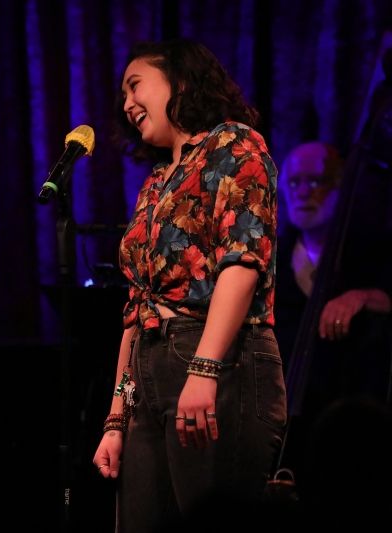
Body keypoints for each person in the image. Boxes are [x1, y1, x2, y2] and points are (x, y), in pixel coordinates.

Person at [92, 39, 286, 532]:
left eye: (135, 85)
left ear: (178, 80)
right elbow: (137, 310)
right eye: (123, 95)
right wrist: (116, 419)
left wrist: (205, 367)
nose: (127, 103)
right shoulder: (156, 183)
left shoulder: (233, 144)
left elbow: (242, 262)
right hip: (149, 374)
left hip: (221, 359)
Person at [275, 142, 391, 402]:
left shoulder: (370, 250)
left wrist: (360, 297)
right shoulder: (274, 259)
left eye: (316, 181)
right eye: (294, 183)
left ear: (340, 187)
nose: (303, 192)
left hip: (350, 399)